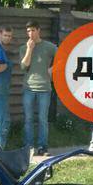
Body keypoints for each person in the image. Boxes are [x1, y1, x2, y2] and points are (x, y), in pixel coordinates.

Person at [19, 21, 57, 156]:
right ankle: (28, 147)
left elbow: (63, 57)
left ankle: (42, 147)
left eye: (33, 30)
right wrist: (30, 49)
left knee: (42, 119)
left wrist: (53, 68)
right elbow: (24, 67)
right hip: (29, 88)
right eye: (28, 31)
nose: (31, 33)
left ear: (39, 30)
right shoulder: (24, 48)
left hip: (45, 89)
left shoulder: (49, 47)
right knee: (28, 119)